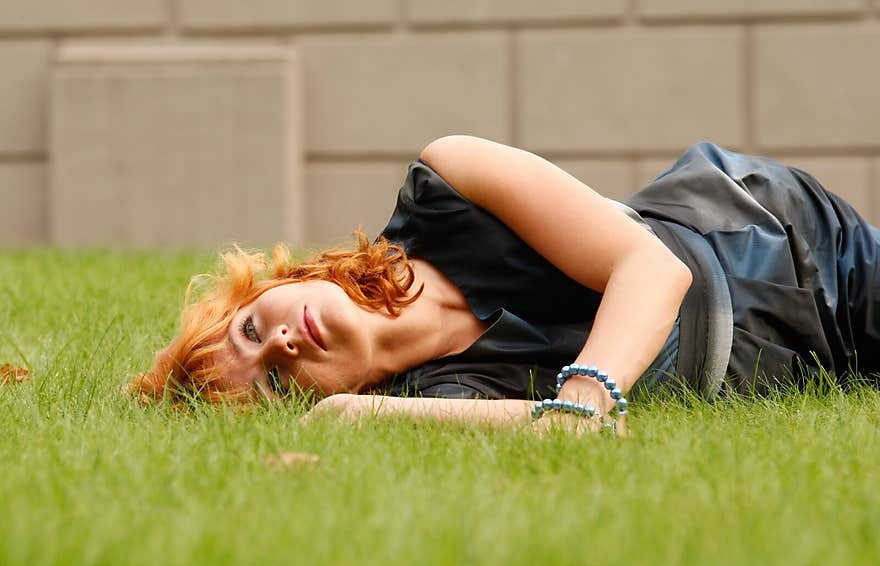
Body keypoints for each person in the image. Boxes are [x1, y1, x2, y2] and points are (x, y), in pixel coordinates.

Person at [131, 136, 880, 433]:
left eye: (254, 330)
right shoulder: (429, 399)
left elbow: (653, 268)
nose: (287, 341)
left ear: (273, 284)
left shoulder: (450, 183)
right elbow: (567, 436)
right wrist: (349, 415)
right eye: (275, 382)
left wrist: (583, 397)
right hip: (790, 369)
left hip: (784, 254)